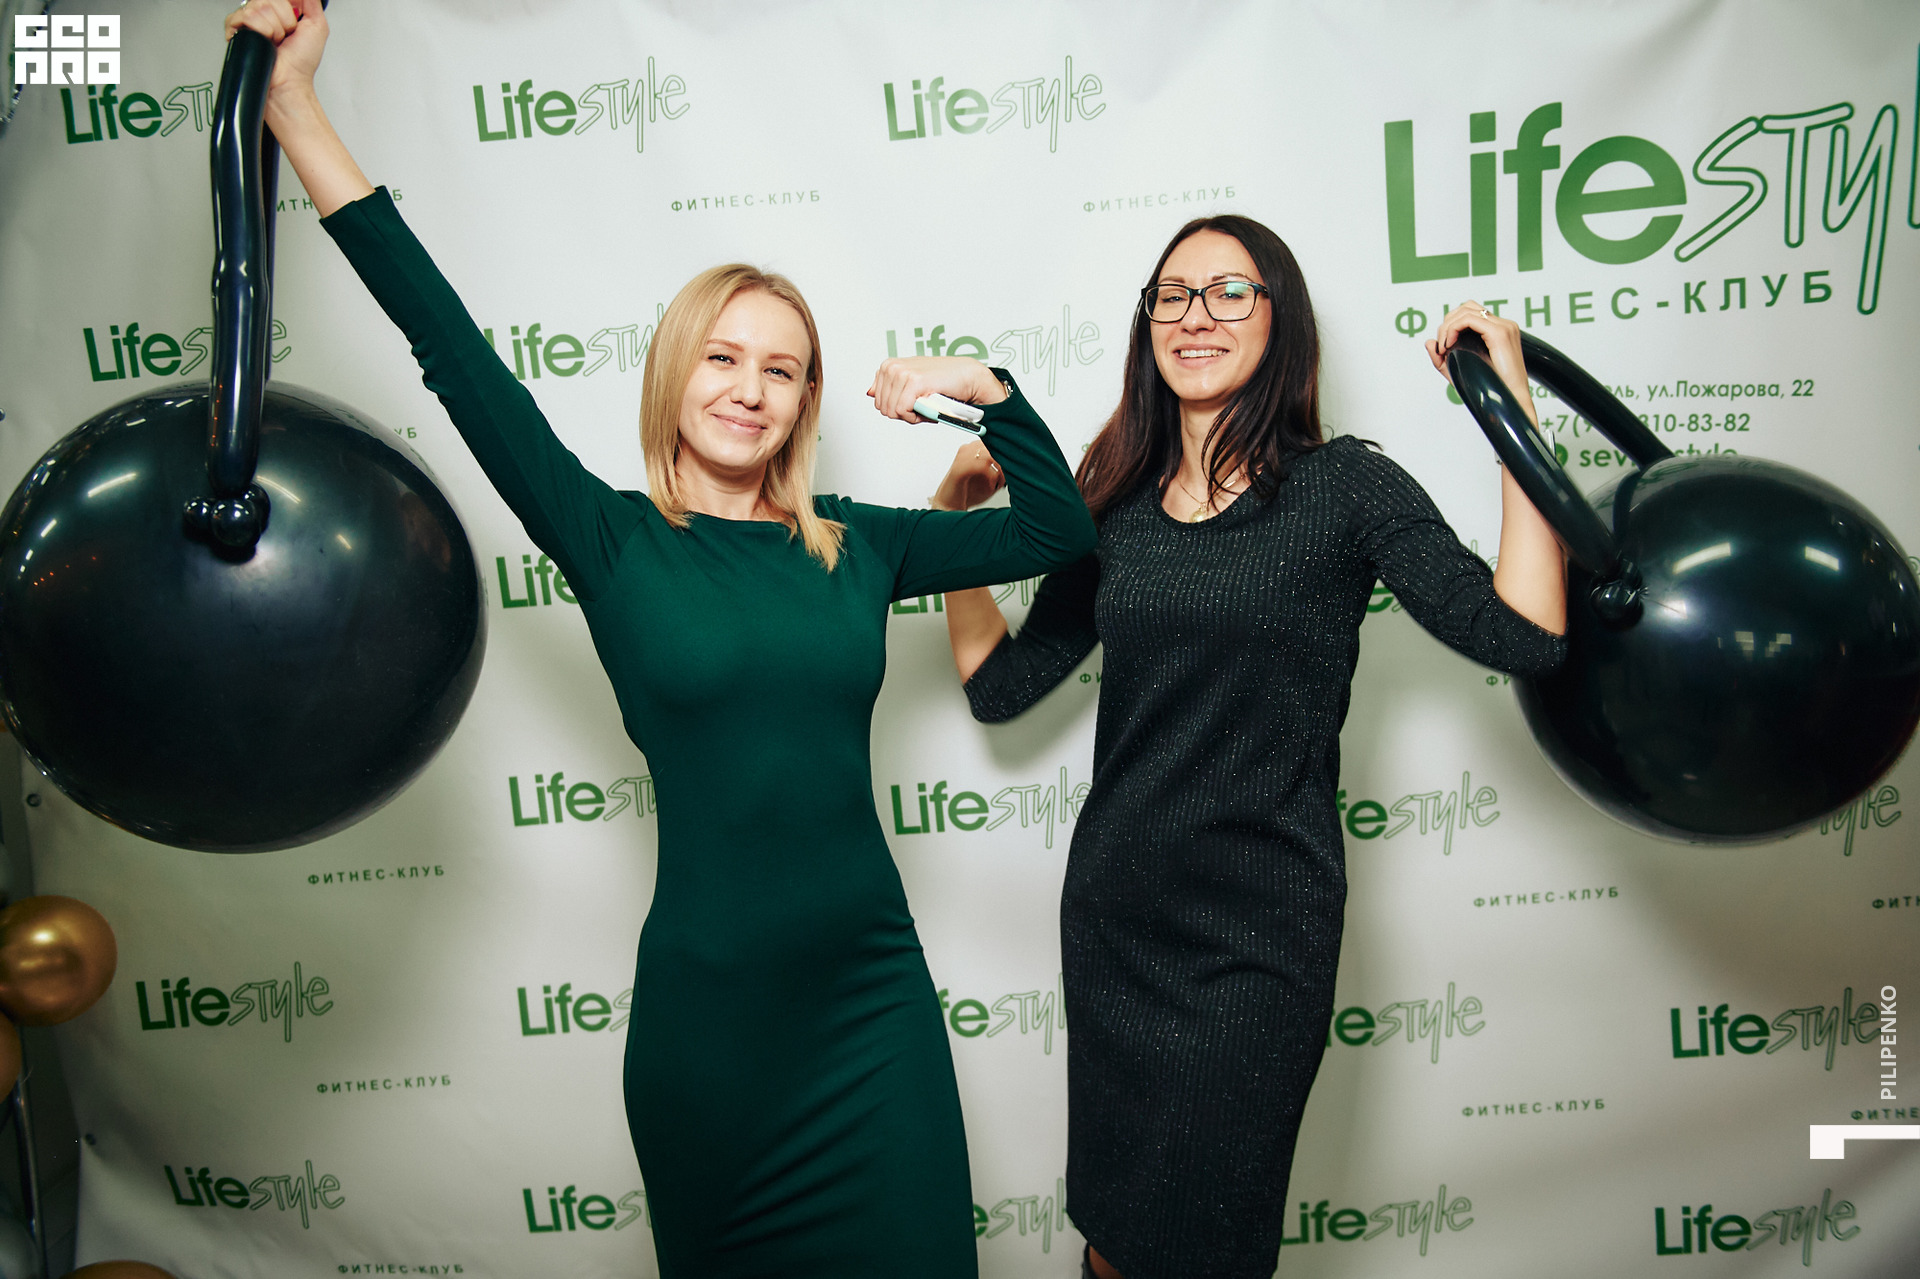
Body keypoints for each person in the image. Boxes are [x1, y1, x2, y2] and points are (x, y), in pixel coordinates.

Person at [223, 4, 1096, 1275]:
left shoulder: (858, 545)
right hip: (714, 1025)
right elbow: (445, 341)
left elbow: (1060, 530)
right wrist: (297, 108)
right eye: (724, 358)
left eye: (782, 370)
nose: (750, 389)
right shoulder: (610, 537)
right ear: (676, 373)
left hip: (870, 1000)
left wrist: (988, 390)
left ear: (805, 400)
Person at [925, 215, 1567, 1279]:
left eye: (1231, 291)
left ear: (1282, 319)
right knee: (1116, 1241)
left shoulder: (1346, 487)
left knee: (1206, 1247)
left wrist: (1511, 412)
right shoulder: (1112, 504)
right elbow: (1000, 687)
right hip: (1118, 923)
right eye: (1172, 295)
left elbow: (1526, 635)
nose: (1197, 316)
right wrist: (952, 514)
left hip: (1261, 938)